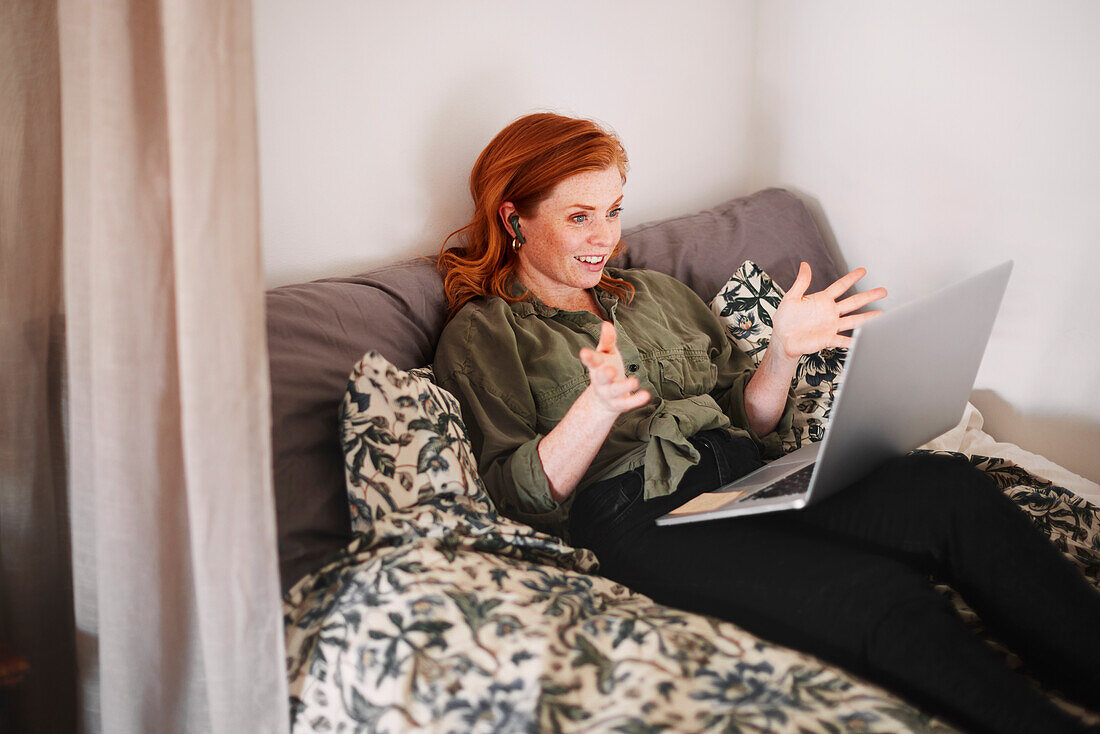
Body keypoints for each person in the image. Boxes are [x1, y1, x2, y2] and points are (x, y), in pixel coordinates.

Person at [433, 112, 1100, 733]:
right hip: (642, 517)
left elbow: (747, 419)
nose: (604, 237)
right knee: (877, 600)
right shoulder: (486, 332)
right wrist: (595, 408)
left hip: (746, 480)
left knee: (948, 490)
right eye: (580, 217)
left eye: (612, 211)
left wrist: (781, 351)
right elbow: (517, 497)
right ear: (514, 219)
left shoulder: (657, 295)